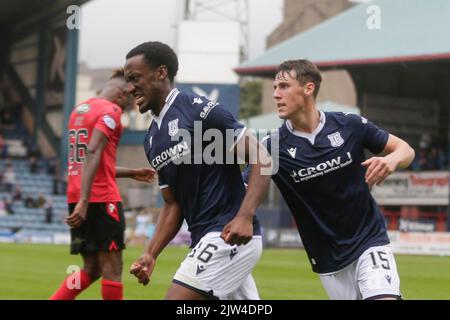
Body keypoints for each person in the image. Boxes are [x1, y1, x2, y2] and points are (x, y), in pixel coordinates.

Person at [243, 59, 415, 300]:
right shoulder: (271, 148)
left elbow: (405, 149)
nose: (275, 95)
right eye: (274, 88)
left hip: (370, 241)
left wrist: (391, 160)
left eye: (283, 86)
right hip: (329, 260)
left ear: (308, 88)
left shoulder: (349, 125)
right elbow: (242, 192)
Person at [124, 41, 271, 300]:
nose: (130, 87)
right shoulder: (151, 140)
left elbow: (262, 157)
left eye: (135, 78)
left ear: (161, 73)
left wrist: (245, 216)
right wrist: (151, 253)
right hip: (206, 238)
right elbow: (172, 204)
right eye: (127, 80)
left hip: (226, 234)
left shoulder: (197, 110)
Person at [50, 69, 156, 300]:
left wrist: (132, 172)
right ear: (123, 93)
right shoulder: (111, 110)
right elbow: (93, 151)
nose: (128, 108)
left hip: (76, 196)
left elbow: (88, 162)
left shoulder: (80, 110)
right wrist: (86, 202)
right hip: (99, 199)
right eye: (130, 102)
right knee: (113, 270)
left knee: (92, 268)